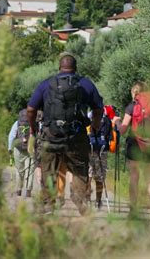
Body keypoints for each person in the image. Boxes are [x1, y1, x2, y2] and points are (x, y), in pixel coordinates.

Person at [26, 53, 104, 215]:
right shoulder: (85, 84)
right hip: (76, 137)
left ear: (59, 67)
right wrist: (95, 125)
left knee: (48, 168)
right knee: (80, 168)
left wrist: (33, 129)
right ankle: (79, 199)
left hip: (51, 135)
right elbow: (98, 108)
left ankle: (48, 203)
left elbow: (31, 109)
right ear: (75, 68)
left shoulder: (47, 84)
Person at [113, 82, 150, 218]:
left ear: (134, 92)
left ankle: (133, 210)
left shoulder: (132, 106)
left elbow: (122, 130)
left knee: (134, 177)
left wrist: (116, 121)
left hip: (135, 143)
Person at [86, 106, 114, 209]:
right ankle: (98, 201)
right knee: (100, 176)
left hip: (90, 150)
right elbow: (110, 137)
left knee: (88, 175)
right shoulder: (107, 120)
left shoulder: (88, 118)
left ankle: (87, 199)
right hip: (103, 151)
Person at [8, 109, 36, 197]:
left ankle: (19, 190)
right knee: (30, 171)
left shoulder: (17, 123)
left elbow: (11, 136)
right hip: (30, 148)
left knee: (19, 170)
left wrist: (10, 148)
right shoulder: (34, 123)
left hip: (18, 148)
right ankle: (28, 191)